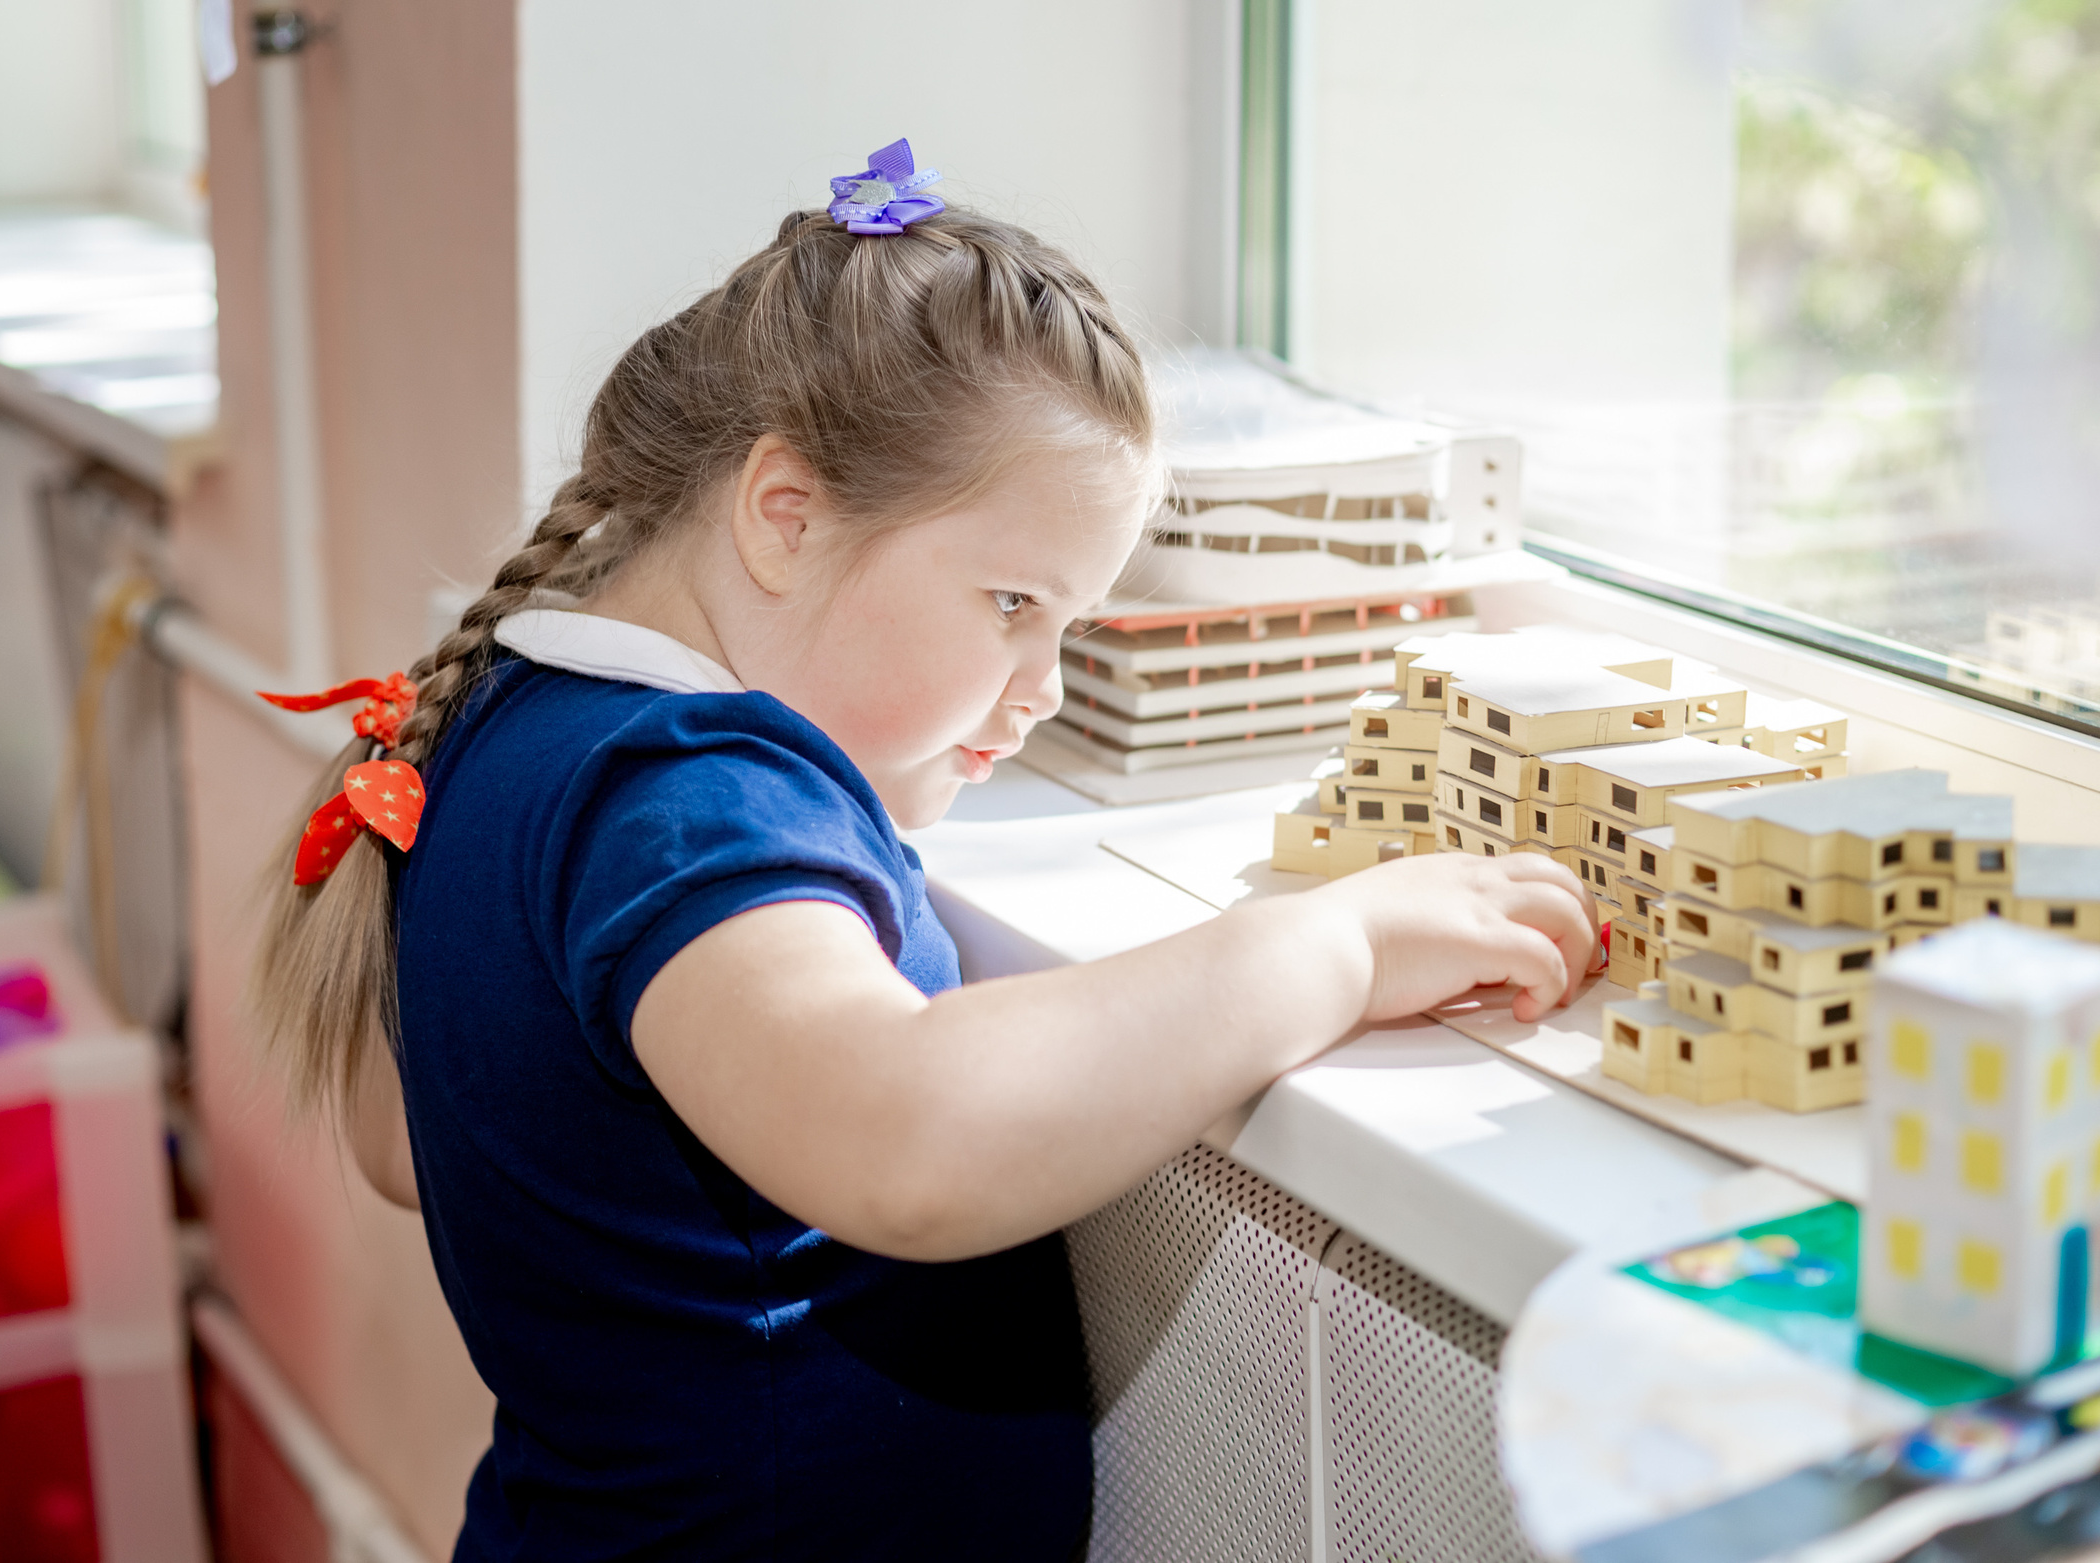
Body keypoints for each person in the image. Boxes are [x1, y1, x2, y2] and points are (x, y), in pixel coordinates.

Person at [252, 141, 1597, 1562]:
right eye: (1013, 604)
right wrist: (1338, 945)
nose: (1047, 686)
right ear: (785, 517)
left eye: (1069, 625)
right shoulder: (687, 801)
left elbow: (404, 1146)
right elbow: (911, 1139)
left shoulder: (516, 719)